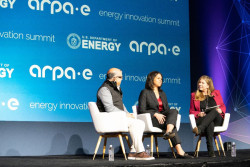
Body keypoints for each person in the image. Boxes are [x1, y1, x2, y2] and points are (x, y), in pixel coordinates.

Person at [97, 68, 154, 160]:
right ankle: (140, 152)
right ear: (114, 78)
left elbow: (121, 105)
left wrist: (128, 114)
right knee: (136, 123)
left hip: (118, 118)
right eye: (120, 77)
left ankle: (133, 152)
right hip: (108, 120)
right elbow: (109, 108)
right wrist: (125, 115)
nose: (122, 79)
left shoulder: (116, 89)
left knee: (139, 122)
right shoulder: (104, 89)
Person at [138, 71, 193, 158]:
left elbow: (166, 110)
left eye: (161, 79)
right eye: (158, 78)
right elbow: (141, 110)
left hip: (162, 118)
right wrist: (155, 114)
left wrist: (166, 117)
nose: (161, 80)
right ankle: (180, 151)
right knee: (172, 126)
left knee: (174, 110)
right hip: (151, 119)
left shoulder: (162, 93)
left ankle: (168, 131)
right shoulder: (145, 92)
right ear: (151, 79)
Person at [189, 75, 226, 157]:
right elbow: (191, 111)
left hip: (217, 119)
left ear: (208, 85)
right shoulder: (194, 95)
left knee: (214, 110)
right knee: (210, 123)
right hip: (203, 118)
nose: (200, 84)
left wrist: (221, 110)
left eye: (202, 83)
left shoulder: (216, 93)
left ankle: (200, 129)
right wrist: (198, 113)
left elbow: (223, 105)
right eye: (199, 82)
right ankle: (211, 151)